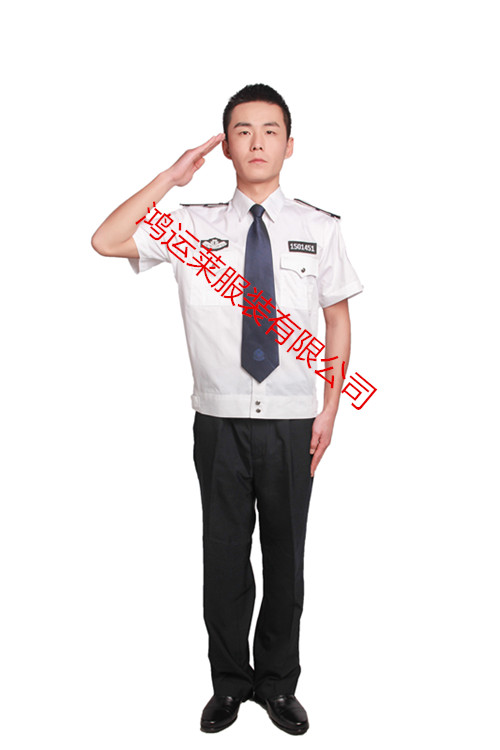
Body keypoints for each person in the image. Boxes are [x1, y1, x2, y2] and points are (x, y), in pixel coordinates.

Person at [91, 83, 363, 735]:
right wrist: (170, 176)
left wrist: (331, 408)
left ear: (289, 146)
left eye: (271, 131)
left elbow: (337, 321)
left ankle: (278, 685)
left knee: (286, 558)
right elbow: (105, 239)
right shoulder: (191, 226)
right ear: (227, 146)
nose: (257, 142)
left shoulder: (320, 229)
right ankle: (230, 685)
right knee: (224, 557)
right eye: (243, 131)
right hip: (219, 420)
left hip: (294, 419)